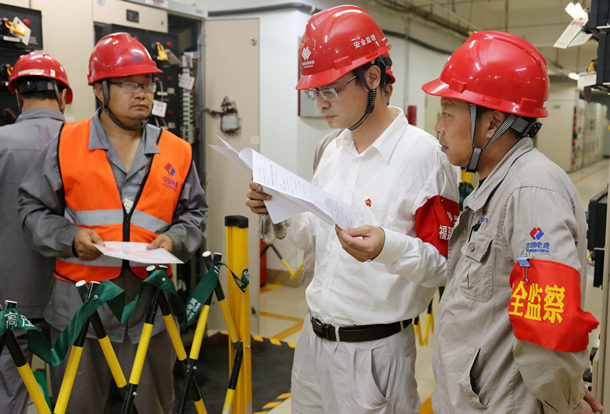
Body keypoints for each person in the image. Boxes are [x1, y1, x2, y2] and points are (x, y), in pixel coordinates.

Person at [336, 30, 602, 413]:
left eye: (448, 112)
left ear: (492, 123)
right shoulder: (496, 187)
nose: (438, 126)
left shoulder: (530, 190)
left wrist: (565, 401)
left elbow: (551, 326)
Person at [246, 6, 458, 413]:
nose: (321, 103)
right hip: (312, 344)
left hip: (375, 355)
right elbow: (316, 238)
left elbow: (443, 265)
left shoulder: (426, 157)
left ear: (373, 78)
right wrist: (281, 210)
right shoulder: (331, 147)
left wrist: (387, 247)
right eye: (314, 92)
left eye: (331, 90)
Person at [18, 32, 207, 413]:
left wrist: (174, 240)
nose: (142, 93)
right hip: (80, 312)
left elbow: (194, 216)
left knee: (155, 406)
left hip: (151, 310)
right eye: (128, 84)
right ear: (100, 91)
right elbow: (32, 211)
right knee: (78, 407)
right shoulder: (65, 143)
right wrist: (70, 237)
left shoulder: (176, 151)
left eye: (148, 83)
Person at [0, 51, 71, 414]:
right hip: (75, 290)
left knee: (11, 381)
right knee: (73, 381)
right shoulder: (86, 143)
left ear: (17, 95)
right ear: (64, 95)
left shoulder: (1, 142)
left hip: (11, 292)